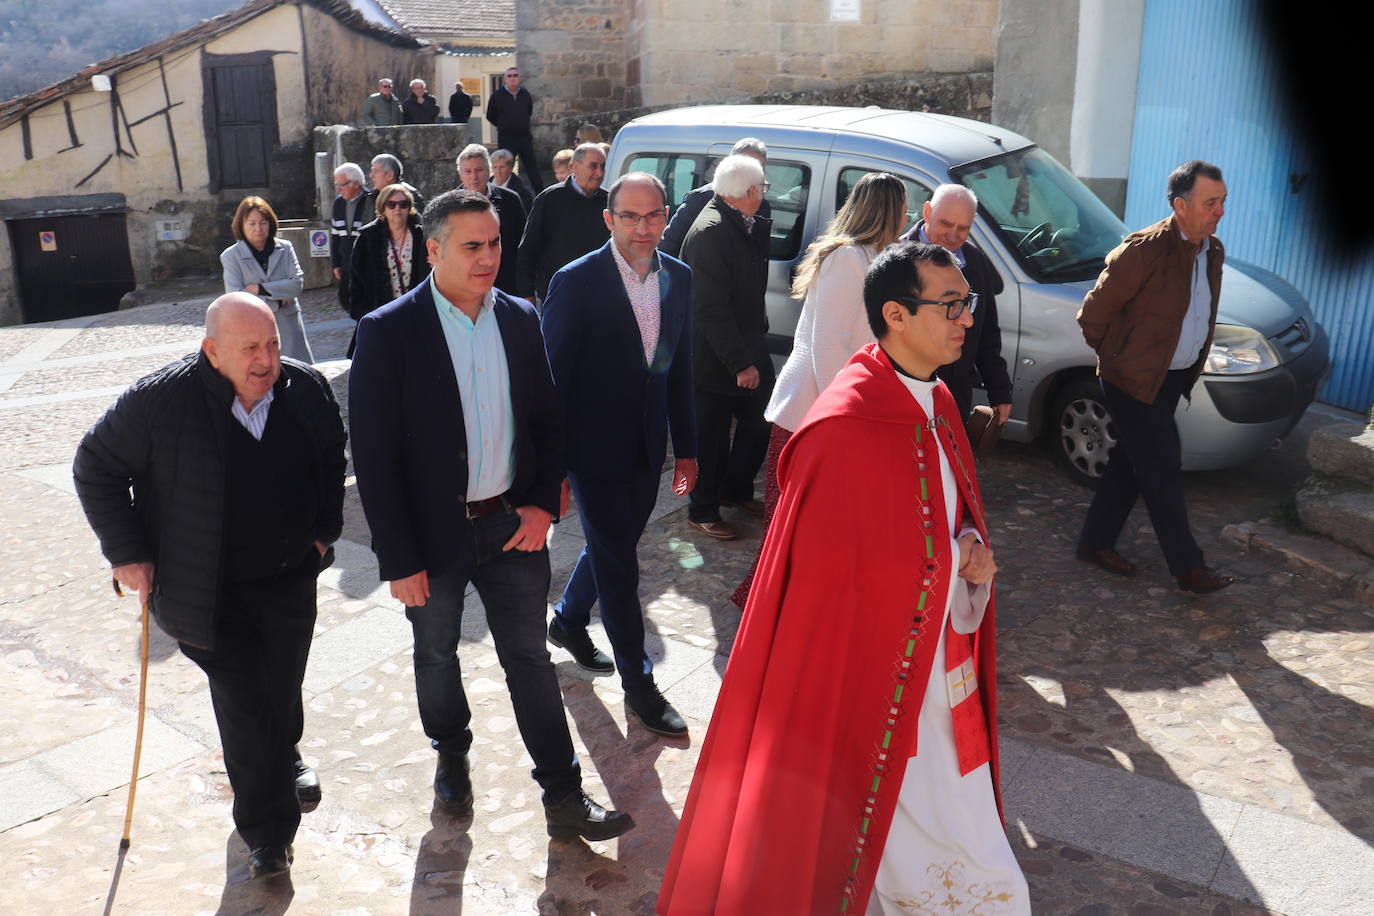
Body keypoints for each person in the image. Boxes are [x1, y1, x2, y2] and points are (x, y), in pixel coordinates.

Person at [658, 242, 1027, 915]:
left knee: (965, 844)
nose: (967, 319)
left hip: (937, 675)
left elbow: (940, 518)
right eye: (951, 305)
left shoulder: (938, 400)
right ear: (895, 314)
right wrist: (943, 565)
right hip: (871, 690)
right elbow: (827, 588)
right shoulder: (840, 430)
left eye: (966, 303)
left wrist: (969, 545)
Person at [348, 189, 632, 840]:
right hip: (432, 534)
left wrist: (540, 502)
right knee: (437, 656)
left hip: (511, 525)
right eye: (471, 246)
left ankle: (563, 794)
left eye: (496, 243)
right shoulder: (388, 332)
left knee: (530, 660)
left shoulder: (521, 319)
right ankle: (451, 752)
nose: (487, 258)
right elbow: (375, 456)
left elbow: (547, 423)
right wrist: (398, 557)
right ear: (434, 250)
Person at [74, 293, 346, 881]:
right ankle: (268, 832)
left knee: (281, 683)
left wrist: (323, 533)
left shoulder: (305, 389)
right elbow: (94, 464)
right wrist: (128, 554)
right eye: (249, 347)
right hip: (205, 590)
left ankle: (286, 754)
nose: (266, 360)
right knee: (246, 700)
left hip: (287, 577)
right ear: (211, 350)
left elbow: (331, 456)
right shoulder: (159, 402)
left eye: (272, 343)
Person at [541, 173, 697, 737]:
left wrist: (688, 447)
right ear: (609, 219)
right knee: (620, 564)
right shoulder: (576, 282)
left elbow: (677, 367)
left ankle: (569, 619)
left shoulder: (678, 276)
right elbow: (552, 380)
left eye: (653, 215)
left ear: (666, 216)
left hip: (648, 445)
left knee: (616, 546)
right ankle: (639, 682)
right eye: (630, 216)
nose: (643, 227)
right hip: (591, 450)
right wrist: (552, 467)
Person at [731, 171, 907, 606]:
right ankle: (766, 610)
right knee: (789, 527)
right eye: (902, 207)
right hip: (811, 418)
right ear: (888, 210)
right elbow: (828, 347)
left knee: (813, 529)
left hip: (827, 417)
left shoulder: (874, 257)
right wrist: (845, 418)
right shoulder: (846, 259)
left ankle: (788, 608)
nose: (906, 216)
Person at [1075, 160, 1236, 594]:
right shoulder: (1142, 251)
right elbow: (1093, 315)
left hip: (1171, 379)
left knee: (1131, 463)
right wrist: (1121, 359)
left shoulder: (1211, 251)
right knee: (1162, 465)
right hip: (1132, 381)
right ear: (1180, 205)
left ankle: (1094, 542)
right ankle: (1188, 568)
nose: (1220, 210)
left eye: (1222, 201)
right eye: (1210, 202)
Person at [679, 154, 772, 541]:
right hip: (713, 356)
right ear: (748, 191)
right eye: (763, 187)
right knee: (711, 438)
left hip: (747, 342)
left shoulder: (744, 223)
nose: (766, 194)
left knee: (760, 419)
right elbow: (709, 309)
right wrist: (740, 363)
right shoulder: (713, 232)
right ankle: (702, 509)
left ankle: (735, 491)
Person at [901, 184, 1012, 423]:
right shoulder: (898, 260)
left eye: (963, 228)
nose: (953, 235)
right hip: (906, 398)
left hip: (955, 399)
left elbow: (987, 331)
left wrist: (999, 389)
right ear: (927, 212)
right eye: (946, 224)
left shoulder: (975, 260)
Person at [220, 196, 313, 364]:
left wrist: (259, 289)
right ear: (241, 225)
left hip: (288, 326)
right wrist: (276, 301)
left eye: (263, 222)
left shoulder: (285, 248)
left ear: (270, 223)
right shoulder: (231, 256)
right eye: (252, 223)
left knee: (299, 377)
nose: (258, 228)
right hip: (253, 331)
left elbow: (297, 284)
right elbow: (236, 299)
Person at [516, 143, 609, 302]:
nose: (599, 173)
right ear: (574, 166)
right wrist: (527, 295)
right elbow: (528, 249)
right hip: (557, 296)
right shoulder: (549, 199)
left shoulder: (609, 201)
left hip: (598, 296)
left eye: (602, 166)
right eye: (593, 166)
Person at [347, 184, 427, 357]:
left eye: (403, 204)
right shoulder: (367, 239)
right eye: (391, 204)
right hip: (382, 315)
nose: (397, 209)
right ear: (382, 208)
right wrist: (362, 314)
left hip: (417, 316)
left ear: (410, 207)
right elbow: (356, 280)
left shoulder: (423, 237)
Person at [659, 137, 771, 259]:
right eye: (744, 166)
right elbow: (668, 247)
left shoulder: (762, 206)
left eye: (757, 168)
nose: (751, 173)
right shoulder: (700, 199)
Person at [456, 143, 527, 293]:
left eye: (479, 170)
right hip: (466, 287)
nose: (473, 176)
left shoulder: (511, 200)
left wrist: (526, 288)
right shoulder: (450, 207)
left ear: (489, 171)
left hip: (507, 285)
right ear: (460, 174)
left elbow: (523, 246)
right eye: (468, 171)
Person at [485, 66, 544, 191]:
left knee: (531, 167)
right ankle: (504, 192)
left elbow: (529, 111)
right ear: (505, 79)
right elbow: (490, 115)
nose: (513, 78)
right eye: (509, 76)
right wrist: (503, 125)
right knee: (504, 167)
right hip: (506, 138)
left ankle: (541, 194)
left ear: (519, 78)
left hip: (524, 137)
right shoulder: (497, 96)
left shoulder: (525, 94)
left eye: (515, 75)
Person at [330, 162, 372, 318]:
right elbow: (335, 235)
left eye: (342, 185)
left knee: (363, 300)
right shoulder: (338, 203)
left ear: (356, 184)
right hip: (346, 262)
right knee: (345, 298)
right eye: (336, 185)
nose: (338, 189)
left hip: (365, 263)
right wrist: (335, 263)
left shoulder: (370, 201)